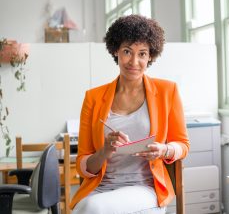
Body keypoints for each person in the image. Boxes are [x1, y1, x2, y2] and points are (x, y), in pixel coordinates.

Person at [70, 14, 190, 214]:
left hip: (145, 187)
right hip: (100, 187)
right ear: (116, 50)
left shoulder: (168, 91)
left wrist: (164, 150)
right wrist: (104, 151)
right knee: (85, 207)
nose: (134, 61)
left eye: (142, 53)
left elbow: (183, 145)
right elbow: (83, 165)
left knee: (91, 208)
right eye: (127, 51)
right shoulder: (93, 97)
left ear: (150, 55)